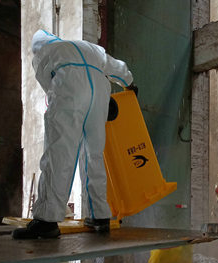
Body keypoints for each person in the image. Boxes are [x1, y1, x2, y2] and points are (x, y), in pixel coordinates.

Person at [13, 29, 135, 239]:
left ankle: (47, 221)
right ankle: (100, 216)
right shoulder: (89, 48)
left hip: (70, 90)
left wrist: (60, 104)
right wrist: (129, 84)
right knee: (93, 155)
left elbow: (48, 85)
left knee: (59, 153)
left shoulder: (46, 52)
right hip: (100, 94)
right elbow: (116, 68)